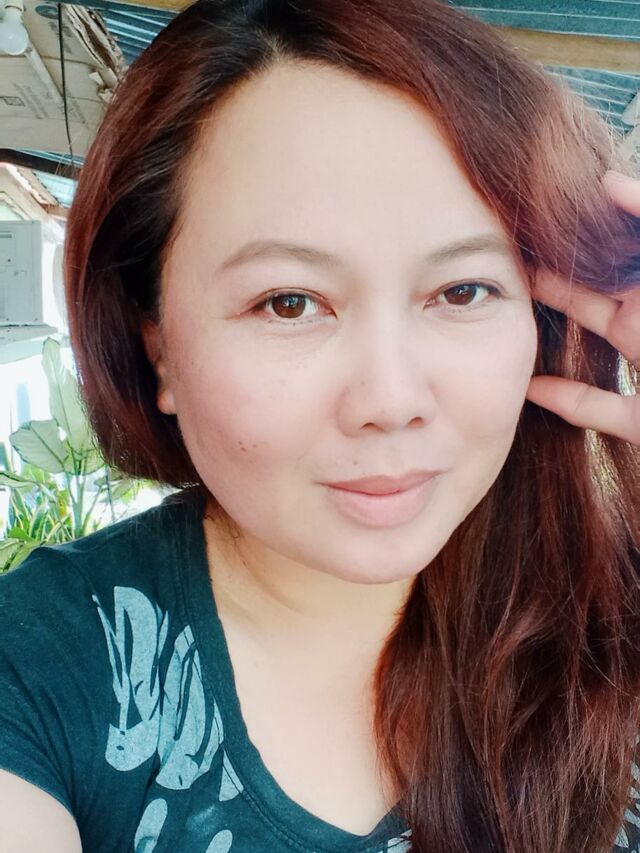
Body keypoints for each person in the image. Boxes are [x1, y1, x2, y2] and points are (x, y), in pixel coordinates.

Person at [0, 0, 638, 850]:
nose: (390, 398)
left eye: (462, 290)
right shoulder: (44, 662)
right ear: (157, 346)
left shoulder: (613, 609)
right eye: (289, 302)